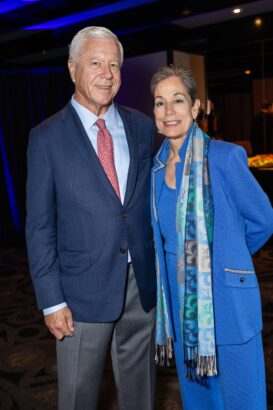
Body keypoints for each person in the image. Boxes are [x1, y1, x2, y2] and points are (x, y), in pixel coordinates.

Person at [25, 26, 157, 410]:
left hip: (140, 286)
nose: (108, 74)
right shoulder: (46, 137)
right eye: (96, 63)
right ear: (72, 69)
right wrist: (51, 301)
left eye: (114, 65)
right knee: (79, 396)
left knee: (141, 393)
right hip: (79, 294)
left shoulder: (142, 127)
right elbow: (39, 226)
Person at [150, 64, 273, 410]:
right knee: (200, 401)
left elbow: (263, 220)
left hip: (228, 299)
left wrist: (225, 258)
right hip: (183, 306)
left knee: (241, 399)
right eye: (160, 103)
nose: (169, 111)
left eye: (178, 100)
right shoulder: (155, 172)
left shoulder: (224, 157)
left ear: (196, 105)